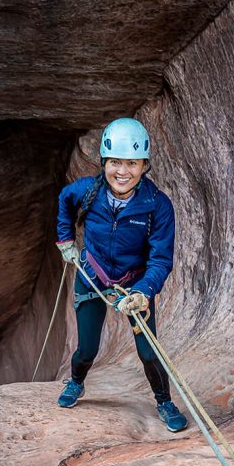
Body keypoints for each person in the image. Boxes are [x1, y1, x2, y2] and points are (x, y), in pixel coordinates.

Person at [54, 117, 188, 432]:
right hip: (92, 275)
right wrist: (65, 240)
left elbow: (160, 259)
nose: (122, 172)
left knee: (147, 350)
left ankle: (164, 402)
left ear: (144, 166)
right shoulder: (88, 192)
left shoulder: (157, 206)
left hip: (134, 284)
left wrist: (143, 292)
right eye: (115, 162)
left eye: (131, 163)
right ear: (104, 162)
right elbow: (64, 199)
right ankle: (76, 381)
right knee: (86, 348)